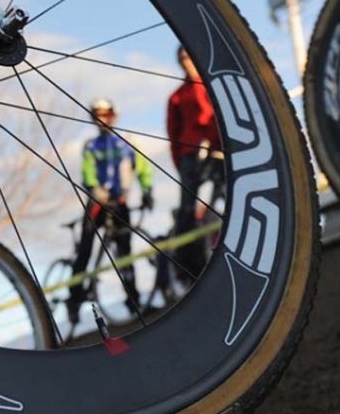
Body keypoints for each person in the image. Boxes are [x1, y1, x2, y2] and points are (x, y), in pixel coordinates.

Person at [67, 97, 153, 323]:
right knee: (85, 248)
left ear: (114, 115)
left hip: (121, 204)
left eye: (106, 114)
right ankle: (73, 299)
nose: (101, 119)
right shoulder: (91, 146)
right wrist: (96, 190)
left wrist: (147, 190)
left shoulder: (127, 143)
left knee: (125, 252)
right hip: (97, 203)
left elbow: (143, 168)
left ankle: (133, 300)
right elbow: (87, 174)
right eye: (97, 115)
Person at [166, 46, 223, 276]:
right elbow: (173, 133)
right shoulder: (177, 96)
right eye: (181, 58)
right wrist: (181, 164)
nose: (186, 61)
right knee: (187, 209)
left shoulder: (212, 86)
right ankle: (188, 266)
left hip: (219, 149)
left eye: (188, 56)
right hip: (190, 155)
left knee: (229, 194)